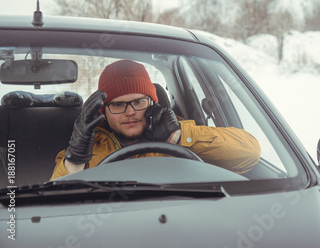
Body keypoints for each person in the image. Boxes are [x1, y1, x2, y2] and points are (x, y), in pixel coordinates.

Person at [50, 59, 261, 180]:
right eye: (118, 105)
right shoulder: (85, 150)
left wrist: (179, 137)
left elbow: (250, 154)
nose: (130, 112)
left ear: (153, 102)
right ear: (104, 111)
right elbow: (56, 208)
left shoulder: (183, 134)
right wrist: (76, 160)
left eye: (138, 102)